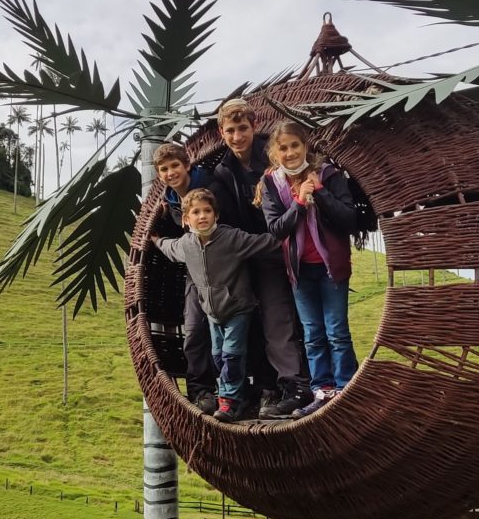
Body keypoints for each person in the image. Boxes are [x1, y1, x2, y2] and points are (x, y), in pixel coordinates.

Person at [211, 99, 312, 418]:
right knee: (246, 323)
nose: (238, 136)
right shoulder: (223, 170)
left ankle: (295, 385)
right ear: (221, 133)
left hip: (276, 249)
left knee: (277, 319)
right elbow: (224, 218)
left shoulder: (274, 154)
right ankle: (260, 388)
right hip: (243, 255)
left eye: (243, 128)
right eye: (231, 130)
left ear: (255, 126)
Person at [256, 120, 359, 418]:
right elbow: (276, 229)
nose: (290, 153)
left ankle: (344, 393)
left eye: (295, 146)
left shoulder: (329, 174)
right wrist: (300, 203)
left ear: (305, 146)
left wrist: (321, 192)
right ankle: (322, 394)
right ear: (275, 152)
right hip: (300, 271)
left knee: (337, 332)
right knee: (313, 334)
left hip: (331, 268)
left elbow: (349, 219)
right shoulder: (272, 184)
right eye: (283, 148)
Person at [152, 189, 279, 423]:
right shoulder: (186, 244)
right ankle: (239, 394)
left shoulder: (231, 238)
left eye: (207, 211)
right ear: (186, 219)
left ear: (216, 215)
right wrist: (156, 239)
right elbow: (169, 248)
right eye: (196, 212)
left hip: (238, 308)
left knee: (231, 355)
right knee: (218, 356)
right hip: (212, 313)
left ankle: (228, 402)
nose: (202, 216)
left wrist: (289, 235)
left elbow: (265, 243)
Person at [152, 142, 216, 414]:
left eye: (175, 166)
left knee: (227, 332)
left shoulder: (210, 186)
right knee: (193, 330)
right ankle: (201, 392)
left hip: (224, 267)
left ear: (187, 164)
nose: (170, 173)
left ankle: (234, 390)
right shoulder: (171, 198)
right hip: (195, 271)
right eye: (164, 169)